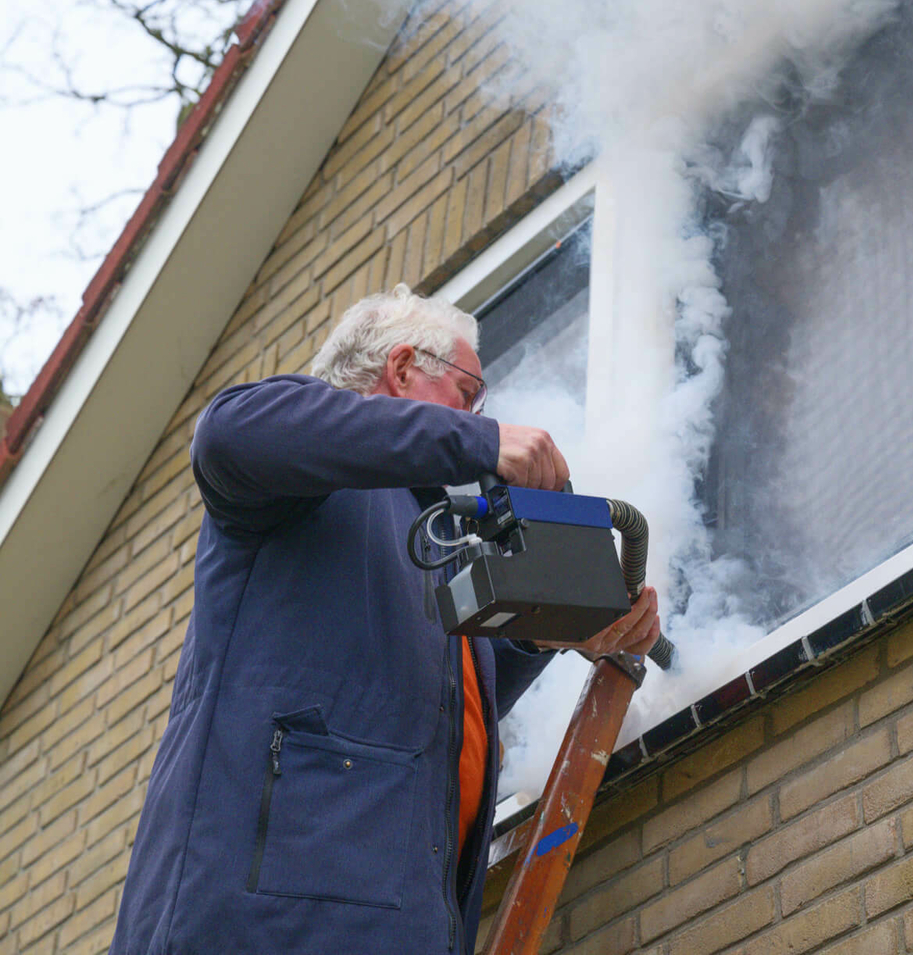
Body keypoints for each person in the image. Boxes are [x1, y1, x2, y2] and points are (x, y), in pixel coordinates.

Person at [110, 285, 659, 955]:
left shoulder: (427, 537)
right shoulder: (299, 475)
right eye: (469, 394)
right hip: (262, 925)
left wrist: (542, 632)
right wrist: (477, 442)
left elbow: (432, 715)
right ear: (401, 369)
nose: (478, 415)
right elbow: (229, 430)